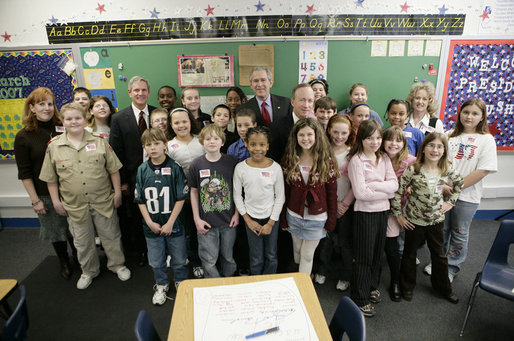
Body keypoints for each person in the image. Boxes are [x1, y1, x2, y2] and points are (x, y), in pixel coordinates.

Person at [40, 103, 130, 290]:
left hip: (103, 200)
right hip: (75, 205)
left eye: (77, 118)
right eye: (69, 119)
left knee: (111, 236)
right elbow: (51, 179)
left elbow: (113, 170)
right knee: (82, 241)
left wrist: (118, 192)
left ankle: (117, 265)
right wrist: (56, 202)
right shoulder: (54, 146)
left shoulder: (99, 141)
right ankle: (89, 271)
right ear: (63, 121)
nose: (74, 122)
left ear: (84, 119)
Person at [425, 98, 498, 281]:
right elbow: (437, 161)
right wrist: (443, 186)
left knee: (459, 232)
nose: (469, 116)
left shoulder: (487, 140)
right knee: (441, 230)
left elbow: (482, 171)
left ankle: (451, 267)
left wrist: (455, 187)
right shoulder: (449, 135)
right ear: (460, 113)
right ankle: (438, 262)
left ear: (482, 117)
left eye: (475, 113)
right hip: (443, 192)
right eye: (466, 112)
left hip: (467, 197)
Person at [392, 132, 462, 304]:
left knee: (439, 255)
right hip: (414, 221)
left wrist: (451, 202)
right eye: (431, 145)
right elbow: (398, 191)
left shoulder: (447, 169)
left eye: (439, 146)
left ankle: (443, 288)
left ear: (444, 150)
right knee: (409, 254)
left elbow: (459, 184)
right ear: (423, 149)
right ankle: (407, 286)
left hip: (436, 221)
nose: (435, 150)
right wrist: (398, 214)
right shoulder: (413, 168)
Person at [14, 87, 75, 280]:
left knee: (76, 229)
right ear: (32, 108)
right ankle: (64, 260)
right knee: (56, 230)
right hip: (44, 192)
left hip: (71, 188)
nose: (47, 108)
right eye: (41, 104)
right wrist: (35, 200)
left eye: (50, 103)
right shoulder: (24, 136)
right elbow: (24, 172)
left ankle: (80, 258)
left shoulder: (64, 127)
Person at [347, 120, 398, 317]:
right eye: (370, 138)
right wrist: (383, 189)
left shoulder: (384, 158)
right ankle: (359, 297)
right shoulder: (356, 161)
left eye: (378, 137)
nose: (375, 141)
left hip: (382, 212)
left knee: (377, 253)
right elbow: (360, 193)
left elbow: (394, 185)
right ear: (362, 139)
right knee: (363, 256)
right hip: (364, 214)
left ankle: (371, 286)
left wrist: (375, 186)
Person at [135, 128, 189, 305]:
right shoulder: (142, 170)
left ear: (165, 145)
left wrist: (170, 222)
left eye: (157, 143)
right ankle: (161, 284)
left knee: (179, 258)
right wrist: (149, 221)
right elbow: (140, 199)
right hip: (151, 226)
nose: (153, 147)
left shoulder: (174, 168)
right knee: (156, 260)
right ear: (144, 147)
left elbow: (181, 198)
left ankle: (180, 281)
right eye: (149, 144)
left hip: (174, 223)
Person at [280, 118, 338, 276]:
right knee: (297, 252)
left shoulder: (326, 161)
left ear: (316, 135)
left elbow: (332, 194)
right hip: (294, 215)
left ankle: (303, 287)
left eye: (309, 134)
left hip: (317, 218)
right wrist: (283, 217)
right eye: (301, 135)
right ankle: (304, 274)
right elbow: (285, 192)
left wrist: (332, 219)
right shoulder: (290, 160)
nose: (305, 139)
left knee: (307, 254)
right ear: (296, 137)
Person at [110, 76, 156, 266]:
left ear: (148, 92)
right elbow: (116, 153)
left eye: (144, 90)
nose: (140, 93)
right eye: (136, 90)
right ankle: (142, 252)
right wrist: (122, 182)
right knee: (137, 217)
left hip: (158, 174)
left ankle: (158, 249)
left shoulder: (157, 113)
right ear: (129, 92)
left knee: (156, 213)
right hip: (132, 177)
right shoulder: (119, 118)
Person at [233, 126, 285, 275]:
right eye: (253, 144)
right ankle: (256, 283)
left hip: (271, 218)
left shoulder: (275, 168)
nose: (257, 149)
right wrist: (248, 220)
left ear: (268, 146)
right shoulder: (240, 168)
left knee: (271, 255)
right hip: (251, 218)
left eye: (262, 145)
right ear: (246, 145)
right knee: (256, 257)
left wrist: (270, 223)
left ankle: (270, 283)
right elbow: (237, 196)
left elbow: (280, 197)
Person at [189, 124, 239, 278]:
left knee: (228, 258)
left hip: (228, 221)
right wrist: (197, 218)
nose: (212, 141)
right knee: (209, 260)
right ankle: (213, 286)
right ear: (202, 142)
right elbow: (194, 192)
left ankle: (228, 283)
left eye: (216, 138)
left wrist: (237, 214)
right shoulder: (196, 164)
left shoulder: (231, 162)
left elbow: (237, 190)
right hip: (207, 223)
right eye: (208, 138)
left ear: (222, 142)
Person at [313, 114, 355, 289]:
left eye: (343, 133)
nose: (339, 136)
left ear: (350, 132)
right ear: (328, 130)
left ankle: (345, 276)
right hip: (326, 204)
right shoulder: (323, 150)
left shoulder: (352, 153)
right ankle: (322, 270)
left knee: (345, 242)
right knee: (325, 239)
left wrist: (344, 204)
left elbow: (356, 183)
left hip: (345, 204)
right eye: (335, 132)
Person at [167, 107, 205, 278]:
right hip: (182, 197)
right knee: (188, 229)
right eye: (177, 122)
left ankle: (206, 259)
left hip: (204, 195)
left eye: (185, 121)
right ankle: (194, 260)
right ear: (171, 125)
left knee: (203, 229)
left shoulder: (201, 140)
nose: (181, 125)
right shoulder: (169, 146)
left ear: (191, 122)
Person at [380, 126, 416, 302]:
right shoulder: (377, 157)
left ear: (404, 144)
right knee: (373, 247)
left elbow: (428, 175)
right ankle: (372, 282)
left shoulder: (410, 161)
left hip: (395, 211)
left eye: (398, 140)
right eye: (389, 139)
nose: (393, 144)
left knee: (392, 248)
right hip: (375, 207)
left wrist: (411, 186)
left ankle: (395, 281)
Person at [269, 83, 315, 163]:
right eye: (302, 100)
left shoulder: (318, 127)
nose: (306, 105)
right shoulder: (276, 127)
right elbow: (273, 158)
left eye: (310, 101)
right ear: (292, 102)